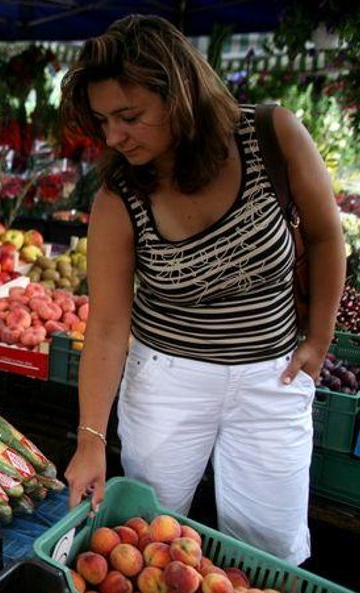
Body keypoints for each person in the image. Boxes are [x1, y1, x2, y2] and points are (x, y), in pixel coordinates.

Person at [60, 15, 344, 565]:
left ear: (180, 95)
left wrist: (319, 340)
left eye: (130, 116)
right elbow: (110, 324)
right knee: (149, 541)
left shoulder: (272, 135)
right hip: (168, 382)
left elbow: (327, 237)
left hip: (271, 376)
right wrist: (91, 436)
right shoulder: (119, 195)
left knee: (271, 547)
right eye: (103, 120)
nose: (114, 135)